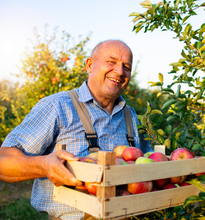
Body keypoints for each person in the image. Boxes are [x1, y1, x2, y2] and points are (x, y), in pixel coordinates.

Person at [0, 40, 153, 219]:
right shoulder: (57, 106)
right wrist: (43, 166)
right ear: (89, 65)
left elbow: (150, 165)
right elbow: (3, 161)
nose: (119, 71)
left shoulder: (131, 116)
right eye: (111, 62)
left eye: (126, 66)